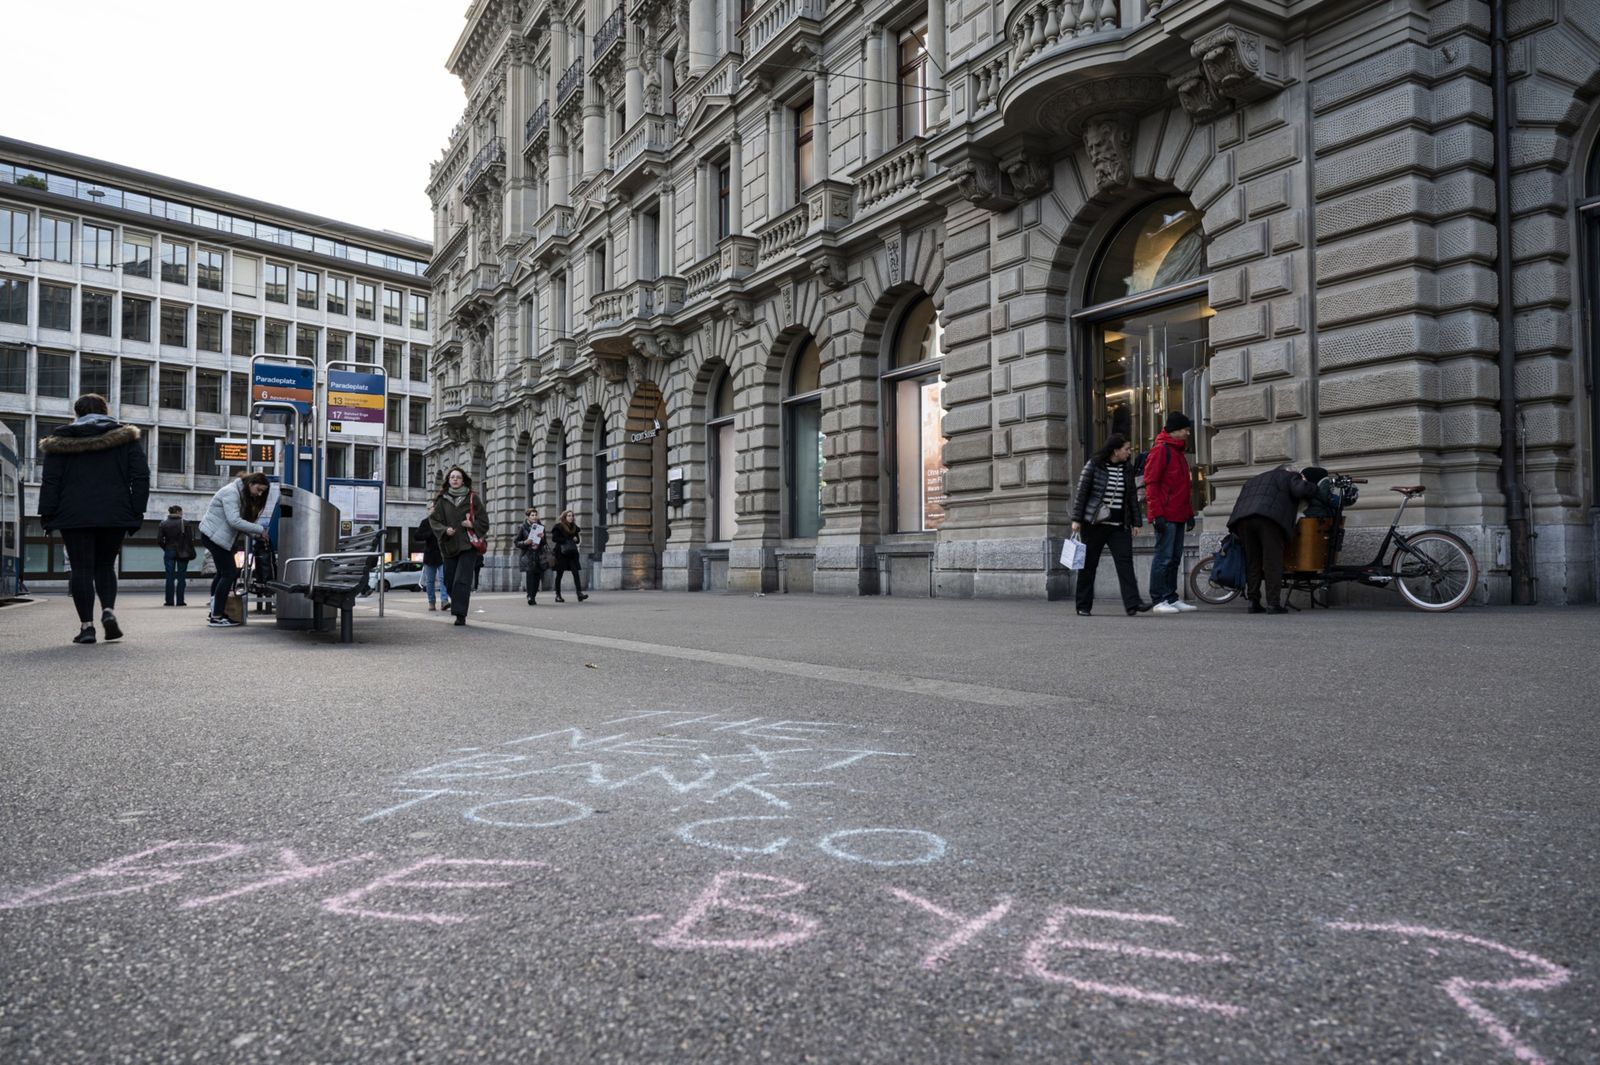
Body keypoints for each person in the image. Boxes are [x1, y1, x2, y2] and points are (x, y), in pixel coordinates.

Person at [37, 393, 150, 645]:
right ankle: (108, 611)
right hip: (114, 513)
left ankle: (87, 627)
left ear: (77, 413)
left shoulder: (60, 441)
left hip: (73, 514)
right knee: (105, 565)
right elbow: (140, 476)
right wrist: (136, 510)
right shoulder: (125, 439)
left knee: (81, 568)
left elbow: (51, 481)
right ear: (105, 410)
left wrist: (47, 514)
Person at [1069, 435, 1152, 617]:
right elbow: (1081, 493)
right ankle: (1083, 605)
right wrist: (1077, 519)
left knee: (1125, 564)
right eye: (1126, 449)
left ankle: (1133, 603)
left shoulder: (1127, 469)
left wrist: (1137, 522)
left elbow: (1131, 498)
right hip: (1095, 525)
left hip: (1118, 526)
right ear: (1116, 450)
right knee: (1089, 565)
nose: (1129, 452)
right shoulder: (1094, 465)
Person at [1228, 463, 1317, 614]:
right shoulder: (1289, 476)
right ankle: (1273, 603)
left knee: (1252, 561)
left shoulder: (1255, 479)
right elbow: (1300, 490)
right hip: (1269, 519)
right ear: (1289, 471)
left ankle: (1253, 601)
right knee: (1272, 561)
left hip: (1243, 520)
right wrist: (1310, 484)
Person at [198, 472, 271, 628]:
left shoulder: (240, 492)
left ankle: (215, 612)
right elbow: (234, 521)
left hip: (218, 537)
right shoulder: (231, 492)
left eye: (262, 492)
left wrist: (254, 534)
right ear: (251, 483)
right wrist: (259, 530)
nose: (260, 494)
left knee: (223, 573)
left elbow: (237, 522)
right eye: (258, 489)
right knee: (229, 573)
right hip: (214, 536)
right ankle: (216, 616)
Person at [1144, 411, 1196, 615]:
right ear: (1175, 430)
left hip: (1178, 514)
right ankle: (1158, 599)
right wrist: (1156, 514)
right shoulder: (1161, 451)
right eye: (1184, 429)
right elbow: (1151, 483)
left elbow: (1184, 487)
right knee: (1163, 557)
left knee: (1174, 558)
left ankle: (1171, 597)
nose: (1187, 433)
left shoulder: (1178, 453)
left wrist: (1189, 513)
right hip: (1166, 514)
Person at [427, 466, 487, 626]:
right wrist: (445, 530)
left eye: (458, 477)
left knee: (462, 580)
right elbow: (433, 521)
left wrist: (472, 524)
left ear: (463, 480)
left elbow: (484, 522)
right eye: (452, 477)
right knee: (449, 580)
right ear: (448, 480)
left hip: (468, 546)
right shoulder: (441, 500)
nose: (455, 479)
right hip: (449, 546)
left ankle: (460, 614)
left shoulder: (473, 498)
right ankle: (459, 602)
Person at [157, 505, 196, 607]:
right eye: (181, 512)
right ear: (178, 512)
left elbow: (160, 540)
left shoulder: (163, 523)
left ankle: (169, 601)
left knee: (169, 577)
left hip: (169, 550)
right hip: (183, 551)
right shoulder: (186, 523)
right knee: (181, 577)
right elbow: (190, 539)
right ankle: (180, 601)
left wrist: (166, 548)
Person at [548, 509, 589, 603]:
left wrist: (575, 539)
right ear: (564, 517)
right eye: (569, 516)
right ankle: (558, 596)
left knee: (575, 573)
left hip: (571, 553)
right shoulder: (558, 527)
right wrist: (567, 539)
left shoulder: (574, 528)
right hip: (561, 553)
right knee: (559, 574)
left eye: (572, 516)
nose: (571, 517)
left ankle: (579, 594)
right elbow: (555, 538)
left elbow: (577, 540)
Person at [514, 506, 548, 605]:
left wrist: (542, 538)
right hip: (528, 555)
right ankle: (529, 596)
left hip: (538, 555)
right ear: (528, 517)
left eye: (535, 515)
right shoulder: (523, 527)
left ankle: (533, 595)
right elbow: (516, 542)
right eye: (532, 515)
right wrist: (525, 542)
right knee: (530, 575)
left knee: (537, 576)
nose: (534, 517)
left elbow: (544, 543)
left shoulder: (541, 527)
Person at [414, 515, 447, 611]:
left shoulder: (444, 520)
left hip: (443, 554)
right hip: (430, 556)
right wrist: (430, 533)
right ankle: (431, 602)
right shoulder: (425, 522)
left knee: (443, 578)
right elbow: (416, 536)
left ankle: (444, 601)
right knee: (430, 581)